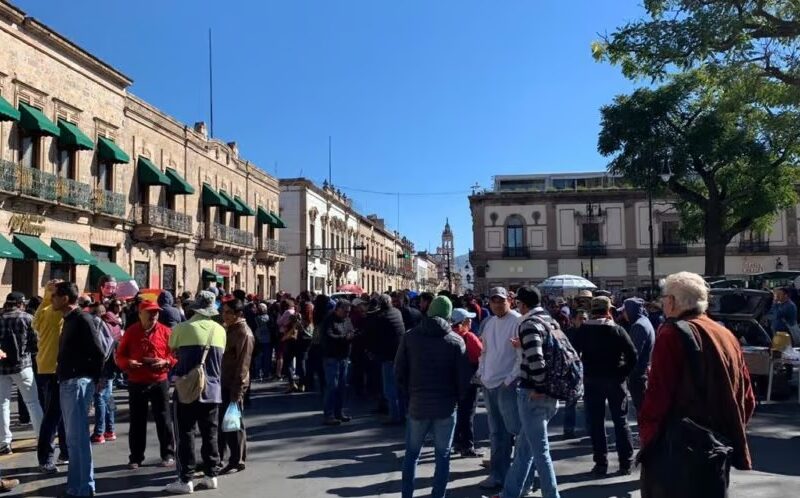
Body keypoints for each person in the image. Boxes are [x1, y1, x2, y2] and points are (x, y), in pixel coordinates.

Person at [639, 272, 756, 497]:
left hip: (680, 453)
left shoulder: (672, 333)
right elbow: (747, 396)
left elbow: (657, 396)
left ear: (672, 301)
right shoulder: (725, 333)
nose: (662, 302)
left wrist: (648, 440)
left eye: (664, 297)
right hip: (717, 450)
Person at [490, 286, 563, 498]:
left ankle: (552, 495)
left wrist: (539, 387)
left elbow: (537, 361)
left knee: (540, 452)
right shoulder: (550, 321)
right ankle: (511, 493)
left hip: (534, 395)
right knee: (524, 448)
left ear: (523, 304)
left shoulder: (529, 324)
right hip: (551, 395)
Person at [395, 296, 469, 498]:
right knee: (443, 456)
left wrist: (409, 393)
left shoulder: (410, 336)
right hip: (446, 406)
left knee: (411, 455)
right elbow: (463, 378)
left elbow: (399, 370)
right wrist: (457, 398)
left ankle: (406, 495)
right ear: (448, 314)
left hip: (418, 404)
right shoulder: (455, 340)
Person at [165, 291, 227, 495]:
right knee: (210, 434)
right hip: (213, 389)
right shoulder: (220, 330)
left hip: (187, 389)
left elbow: (172, 348)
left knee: (185, 433)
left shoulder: (183, 328)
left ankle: (186, 479)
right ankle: (211, 475)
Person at [53, 282, 109, 497]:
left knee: (78, 439)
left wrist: (96, 378)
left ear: (65, 298)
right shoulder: (70, 319)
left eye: (56, 296)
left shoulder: (82, 319)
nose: (52, 300)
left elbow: (98, 350)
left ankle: (85, 487)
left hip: (77, 382)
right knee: (73, 439)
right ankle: (76, 486)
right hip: (70, 381)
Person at [572, 296, 637, 476]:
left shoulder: (583, 330)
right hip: (615, 379)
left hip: (592, 380)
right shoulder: (617, 330)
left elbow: (573, 354)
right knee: (621, 420)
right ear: (609, 310)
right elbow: (633, 355)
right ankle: (625, 462)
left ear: (592, 311)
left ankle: (601, 462)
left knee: (596, 422)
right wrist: (623, 372)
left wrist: (582, 373)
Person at [115, 300, 177, 469]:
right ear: (140, 314)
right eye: (149, 312)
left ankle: (168, 454)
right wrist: (129, 363)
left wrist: (165, 361)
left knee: (164, 419)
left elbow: (174, 355)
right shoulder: (131, 331)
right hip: (137, 381)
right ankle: (135, 457)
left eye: (156, 312)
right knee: (137, 421)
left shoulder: (166, 331)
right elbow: (120, 356)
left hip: (159, 380)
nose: (153, 315)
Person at [476, 287, 522, 492]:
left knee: (517, 431)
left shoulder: (518, 322)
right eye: (493, 300)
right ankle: (498, 475)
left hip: (507, 385)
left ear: (509, 300)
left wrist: (510, 379)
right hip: (489, 384)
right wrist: (481, 373)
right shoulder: (489, 323)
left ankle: (520, 477)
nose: (497, 304)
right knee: (496, 433)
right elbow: (484, 351)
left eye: (501, 300)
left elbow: (521, 356)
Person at [34, 280, 70, 473]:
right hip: (54, 369)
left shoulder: (46, 310)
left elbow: (35, 323)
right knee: (56, 416)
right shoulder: (53, 313)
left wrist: (48, 294)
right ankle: (51, 456)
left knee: (57, 415)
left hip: (48, 368)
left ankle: (62, 453)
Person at [0, 292, 43, 453]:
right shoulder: (27, 318)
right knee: (33, 403)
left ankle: (4, 442)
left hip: (2, 367)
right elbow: (35, 344)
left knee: (2, 405)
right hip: (23, 366)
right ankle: (41, 438)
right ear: (20, 303)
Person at [218, 298, 254, 474]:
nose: (224, 315)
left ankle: (237, 459)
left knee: (234, 422)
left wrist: (237, 389)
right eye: (223, 311)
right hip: (224, 380)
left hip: (234, 383)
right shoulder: (229, 329)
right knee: (224, 422)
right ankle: (221, 456)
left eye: (227, 312)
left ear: (238, 314)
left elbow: (243, 364)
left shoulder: (244, 333)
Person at [364, 294, 406, 425]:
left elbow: (374, 336)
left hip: (387, 355)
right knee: (399, 388)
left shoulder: (381, 317)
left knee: (390, 389)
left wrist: (371, 351)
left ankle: (394, 416)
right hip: (400, 354)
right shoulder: (397, 312)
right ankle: (402, 413)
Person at [449, 308, 484, 458]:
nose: (471, 321)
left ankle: (457, 442)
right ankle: (468, 446)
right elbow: (481, 354)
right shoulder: (469, 336)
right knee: (468, 413)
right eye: (468, 320)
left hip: (453, 378)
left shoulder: (449, 335)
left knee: (457, 412)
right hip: (470, 379)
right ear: (462, 322)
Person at [319, 300, 355, 425]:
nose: (347, 314)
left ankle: (339, 412)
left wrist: (352, 336)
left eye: (348, 312)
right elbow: (329, 336)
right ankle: (329, 414)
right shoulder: (329, 320)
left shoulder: (347, 320)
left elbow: (351, 330)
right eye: (345, 311)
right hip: (331, 357)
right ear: (338, 309)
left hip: (344, 356)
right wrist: (344, 338)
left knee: (342, 386)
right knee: (332, 386)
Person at [88, 303, 117, 445]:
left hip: (102, 368)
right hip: (112, 366)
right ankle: (110, 430)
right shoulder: (113, 324)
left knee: (99, 397)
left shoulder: (98, 325)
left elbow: (101, 348)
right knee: (109, 397)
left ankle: (99, 432)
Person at [622, 297, 655, 413]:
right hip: (642, 372)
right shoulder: (644, 321)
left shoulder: (638, 326)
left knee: (642, 409)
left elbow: (633, 352)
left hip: (638, 374)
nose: (623, 314)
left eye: (624, 311)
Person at [562, 309, 587, 437]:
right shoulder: (568, 334)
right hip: (572, 372)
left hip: (588, 371)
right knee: (570, 402)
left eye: (585, 318)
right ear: (573, 320)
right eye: (580, 318)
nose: (583, 321)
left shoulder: (590, 333)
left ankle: (590, 428)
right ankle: (568, 429)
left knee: (589, 402)